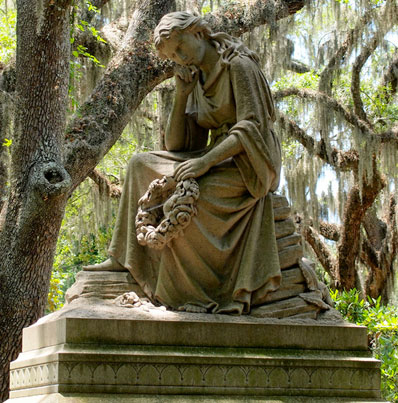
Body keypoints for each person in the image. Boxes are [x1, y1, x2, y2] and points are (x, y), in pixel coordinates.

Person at [85, 11, 282, 314]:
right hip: (213, 156)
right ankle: (123, 260)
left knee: (181, 199)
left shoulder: (238, 65)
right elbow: (179, 146)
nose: (180, 57)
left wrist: (204, 163)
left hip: (247, 163)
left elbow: (251, 128)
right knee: (140, 163)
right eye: (173, 56)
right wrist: (182, 93)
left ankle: (184, 290)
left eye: (180, 48)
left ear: (198, 32)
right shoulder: (197, 77)